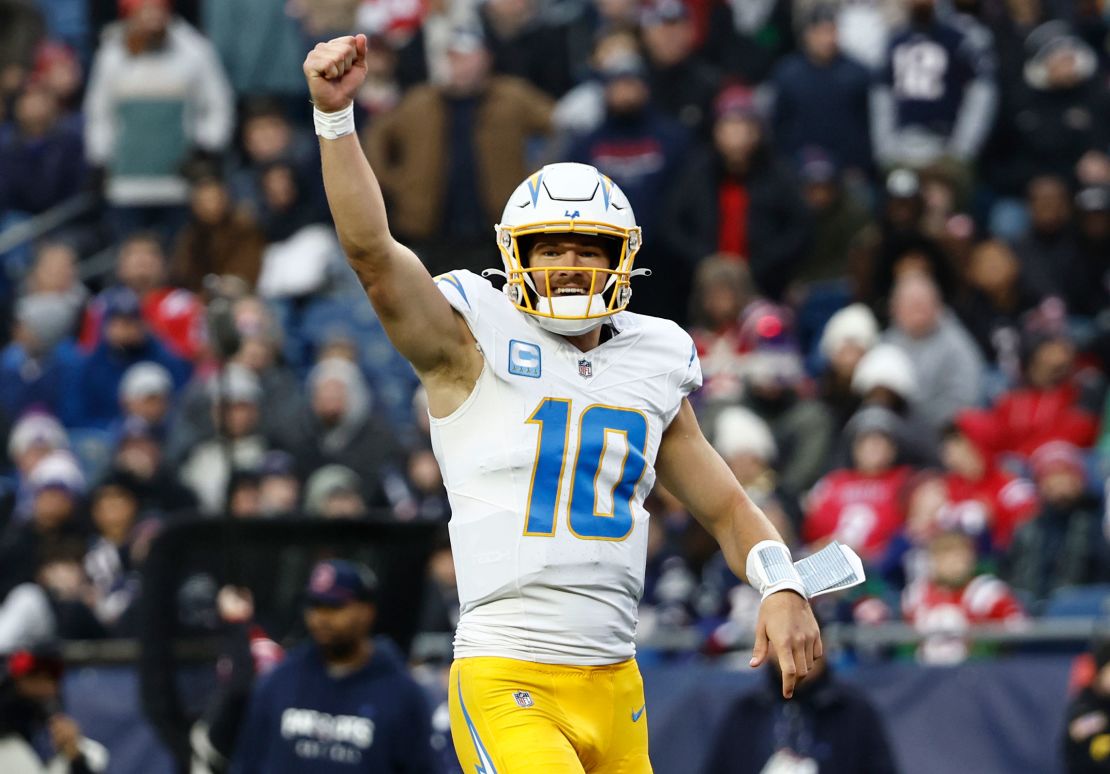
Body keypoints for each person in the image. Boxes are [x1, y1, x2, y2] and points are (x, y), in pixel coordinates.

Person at [304, 34, 821, 773]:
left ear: (623, 259)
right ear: (518, 254)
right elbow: (374, 255)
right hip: (508, 673)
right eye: (552, 247)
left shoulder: (654, 355)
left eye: (588, 250)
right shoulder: (470, 338)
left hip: (617, 683)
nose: (571, 266)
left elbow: (730, 509)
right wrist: (334, 120)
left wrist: (782, 584)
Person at [232, 560, 438, 773]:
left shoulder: (401, 692)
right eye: (315, 605)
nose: (321, 618)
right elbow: (247, 762)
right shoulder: (279, 681)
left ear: (366, 611)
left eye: (334, 606)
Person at [703, 646, 899, 774]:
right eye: (789, 644)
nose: (800, 653)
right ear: (768, 648)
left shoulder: (854, 711)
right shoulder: (746, 712)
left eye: (808, 642)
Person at [0, 649, 109, 773]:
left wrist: (75, 757)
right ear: (16, 681)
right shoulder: (8, 739)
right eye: (34, 677)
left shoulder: (69, 738)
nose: (42, 686)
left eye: (50, 678)